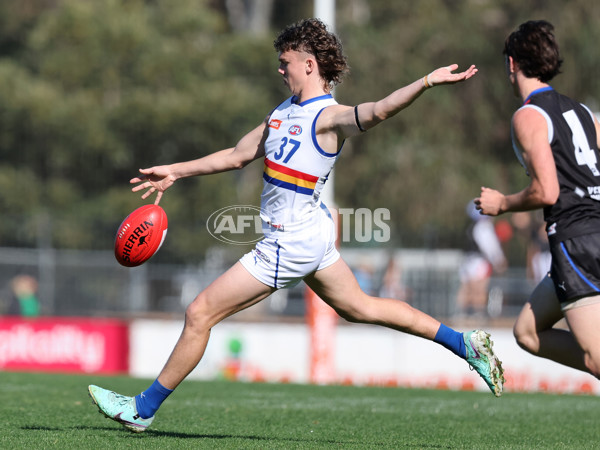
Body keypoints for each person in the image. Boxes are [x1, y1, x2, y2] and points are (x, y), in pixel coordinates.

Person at [89, 18, 504, 433]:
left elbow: (378, 110)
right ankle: (464, 343)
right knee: (361, 307)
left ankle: (142, 409)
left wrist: (427, 81)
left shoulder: (330, 116)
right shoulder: (281, 113)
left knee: (199, 313)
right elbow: (237, 155)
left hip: (291, 242)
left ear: (309, 65)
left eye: (285, 62)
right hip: (311, 234)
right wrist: (176, 172)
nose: (280, 70)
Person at [475, 20, 600, 381]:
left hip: (577, 241)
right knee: (527, 331)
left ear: (512, 64)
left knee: (594, 358)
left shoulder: (528, 117)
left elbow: (547, 191)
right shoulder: (580, 111)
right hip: (589, 233)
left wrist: (503, 204)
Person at [456, 202, 507, 318]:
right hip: (478, 261)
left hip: (467, 260)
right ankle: (477, 315)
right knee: (479, 289)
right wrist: (499, 260)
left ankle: (462, 315)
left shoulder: (469, 226)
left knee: (466, 288)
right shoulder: (483, 227)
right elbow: (490, 246)